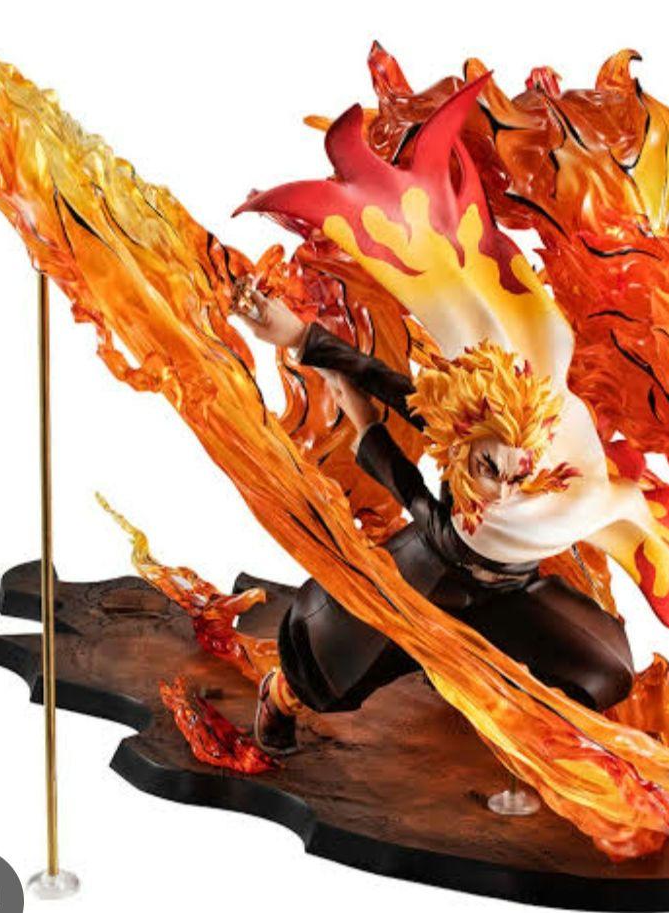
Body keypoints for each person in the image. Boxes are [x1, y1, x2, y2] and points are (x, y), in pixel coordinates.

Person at [239, 290, 634, 755]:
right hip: (427, 574)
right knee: (329, 660)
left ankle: (529, 734)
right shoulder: (464, 441)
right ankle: (278, 696)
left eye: (518, 476)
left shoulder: (540, 453)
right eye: (490, 469)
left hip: (505, 593)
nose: (504, 493)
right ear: (462, 446)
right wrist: (303, 340)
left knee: (603, 667)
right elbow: (388, 391)